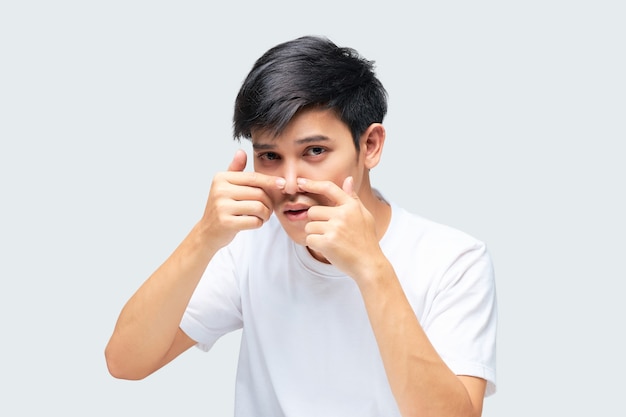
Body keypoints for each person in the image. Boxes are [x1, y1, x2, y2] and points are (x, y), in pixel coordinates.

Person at [105, 35, 497, 417]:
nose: (290, 183)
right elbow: (125, 362)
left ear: (371, 146)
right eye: (271, 156)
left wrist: (371, 268)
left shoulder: (453, 260)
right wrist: (204, 237)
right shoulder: (250, 245)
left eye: (315, 151)